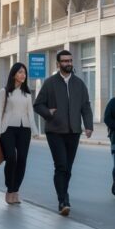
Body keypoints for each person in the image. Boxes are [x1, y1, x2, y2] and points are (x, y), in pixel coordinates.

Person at [34, 49, 93, 216]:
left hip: (74, 131)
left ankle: (63, 196)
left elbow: (86, 106)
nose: (68, 63)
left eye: (70, 60)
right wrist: (48, 113)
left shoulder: (79, 84)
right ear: (58, 64)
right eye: (65, 61)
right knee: (61, 165)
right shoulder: (50, 83)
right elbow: (38, 104)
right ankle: (63, 200)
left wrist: (88, 125)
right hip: (55, 131)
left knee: (68, 168)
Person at [0, 62, 39, 205]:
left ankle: (15, 190)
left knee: (22, 159)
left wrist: (35, 130)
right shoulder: (4, 91)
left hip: (24, 129)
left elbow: (30, 113)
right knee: (11, 158)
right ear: (13, 74)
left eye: (24, 72)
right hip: (8, 129)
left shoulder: (28, 94)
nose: (23, 75)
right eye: (20, 72)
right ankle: (9, 188)